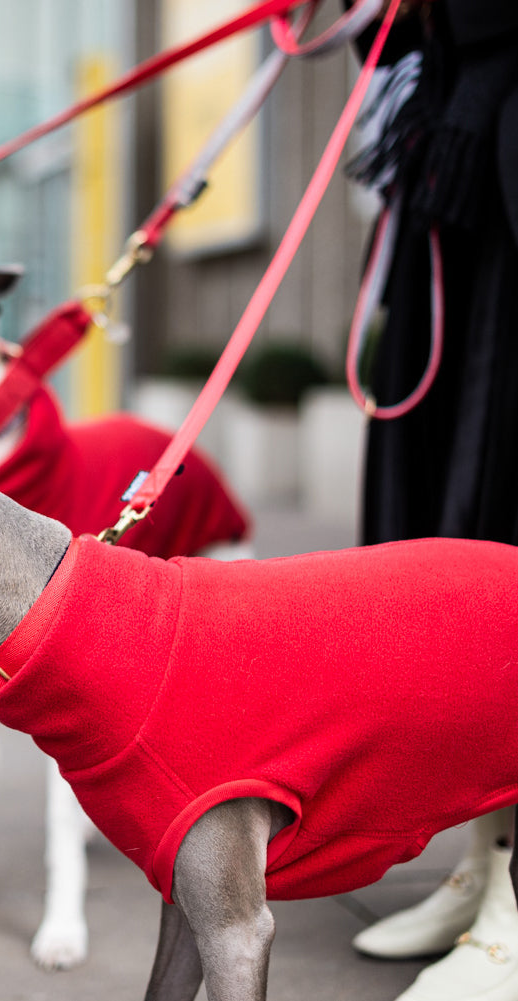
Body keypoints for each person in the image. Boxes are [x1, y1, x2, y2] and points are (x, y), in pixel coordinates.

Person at [346, 2, 518, 1000]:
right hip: (454, 140)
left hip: (494, 134)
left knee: (500, 511)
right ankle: (486, 852)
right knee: (448, 518)